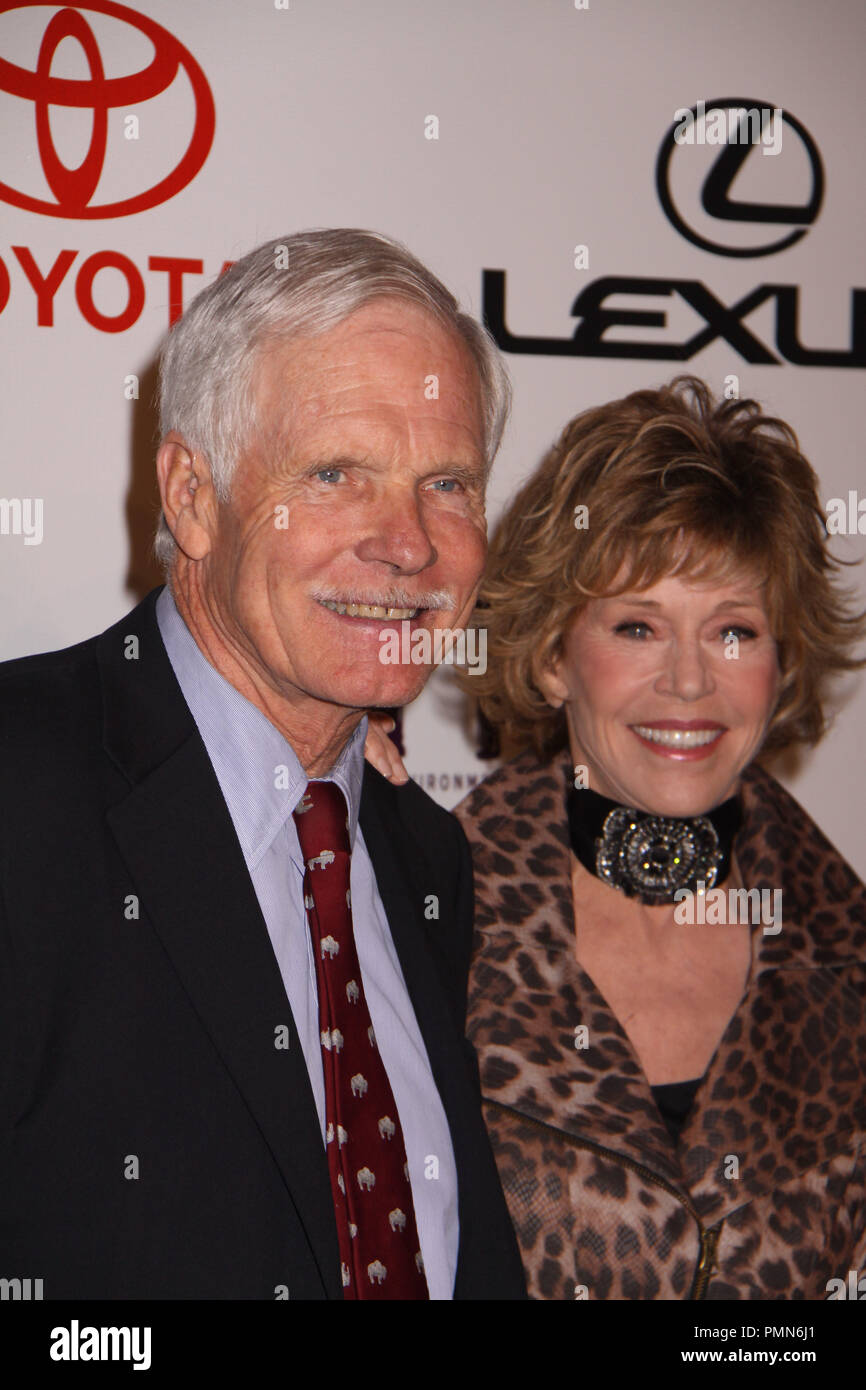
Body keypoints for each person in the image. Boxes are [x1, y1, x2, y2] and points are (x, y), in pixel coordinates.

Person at [0, 229, 526, 1300]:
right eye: (335, 473)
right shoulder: (21, 784)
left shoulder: (423, 857)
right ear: (192, 496)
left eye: (447, 483)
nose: (409, 544)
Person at [448, 377, 866, 1300]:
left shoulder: (848, 950)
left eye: (734, 631)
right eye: (638, 626)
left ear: (781, 662)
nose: (688, 682)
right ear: (555, 657)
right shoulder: (422, 922)